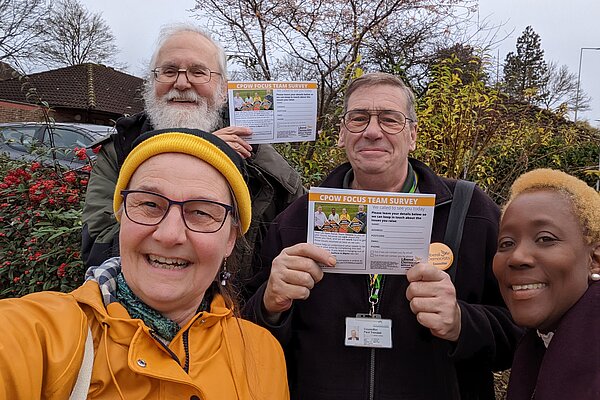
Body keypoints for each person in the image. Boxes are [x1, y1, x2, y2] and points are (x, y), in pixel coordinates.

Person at [244, 73, 522, 399]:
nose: (373, 131)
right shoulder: (296, 220)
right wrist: (270, 304)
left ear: (413, 135)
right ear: (342, 134)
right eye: (358, 118)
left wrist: (462, 322)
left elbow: (520, 332)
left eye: (390, 119)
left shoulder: (470, 211)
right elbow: (248, 337)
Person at [0, 129, 289, 399]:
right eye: (149, 205)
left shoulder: (263, 355)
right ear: (121, 216)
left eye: (201, 212)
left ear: (230, 239)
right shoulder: (42, 336)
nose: (169, 234)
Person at [82, 23, 305, 283]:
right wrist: (201, 149)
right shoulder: (119, 149)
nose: (182, 82)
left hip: (240, 314)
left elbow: (296, 227)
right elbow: (98, 247)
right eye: (169, 71)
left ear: (223, 89)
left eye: (198, 72)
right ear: (152, 82)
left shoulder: (253, 149)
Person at [492, 169, 600, 400]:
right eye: (506, 243)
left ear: (595, 260)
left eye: (545, 239)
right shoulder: (539, 343)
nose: (517, 257)